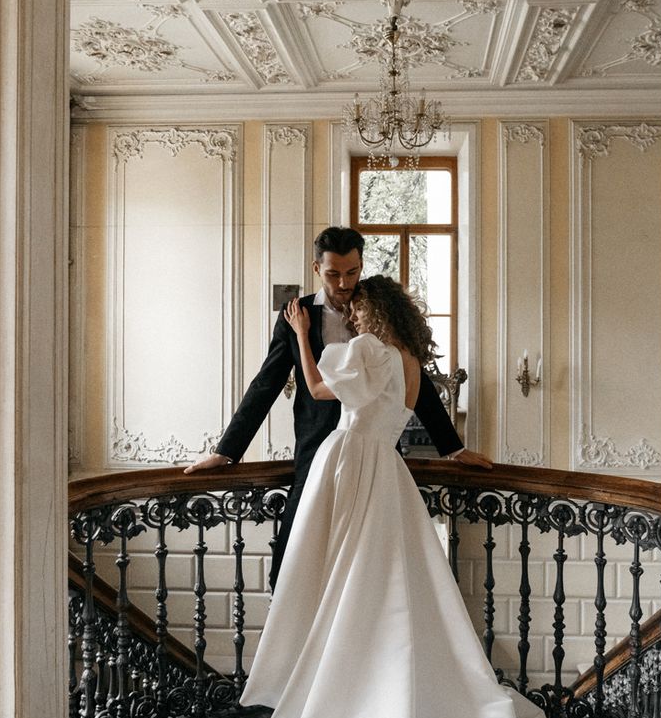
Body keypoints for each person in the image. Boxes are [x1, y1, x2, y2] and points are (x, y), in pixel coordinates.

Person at [240, 276, 577, 718]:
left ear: (373, 313)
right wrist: (454, 448)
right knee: (390, 584)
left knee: (345, 579)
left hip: (349, 465)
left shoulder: (366, 350)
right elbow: (411, 413)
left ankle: (344, 686)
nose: (352, 313)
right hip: (389, 473)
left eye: (359, 307)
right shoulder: (412, 361)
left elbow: (317, 388)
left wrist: (299, 334)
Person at [185, 226, 491, 590]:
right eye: (333, 274)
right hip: (315, 452)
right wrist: (226, 452)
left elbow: (415, 378)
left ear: (361, 265)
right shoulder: (295, 315)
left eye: (352, 272)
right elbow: (266, 384)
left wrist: (452, 447)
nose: (344, 283)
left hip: (372, 458)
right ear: (317, 268)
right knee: (292, 566)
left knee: (370, 569)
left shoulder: (377, 311)